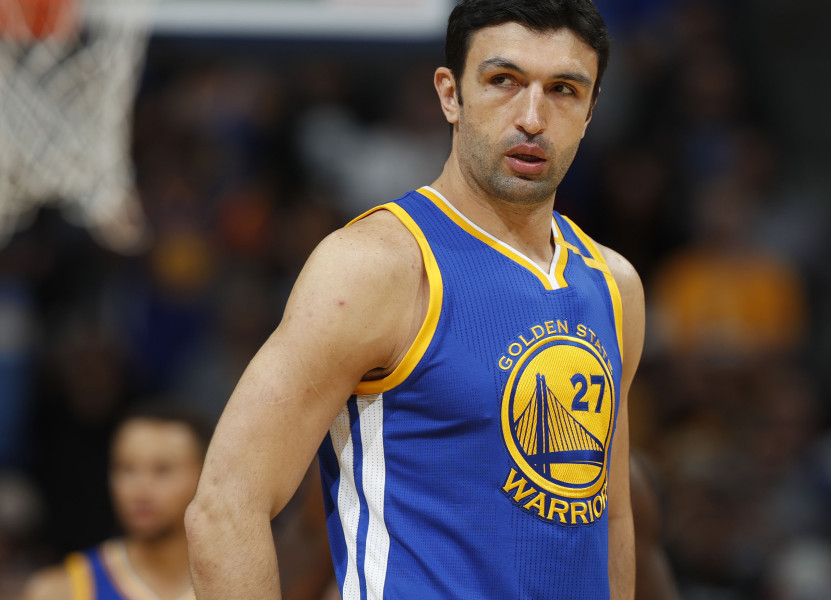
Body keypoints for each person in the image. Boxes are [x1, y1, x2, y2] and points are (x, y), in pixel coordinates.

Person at [185, 1, 645, 598]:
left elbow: (612, 516)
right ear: (450, 94)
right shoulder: (376, 267)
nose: (532, 117)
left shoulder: (614, 284)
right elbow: (225, 508)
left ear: (590, 110)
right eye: (503, 81)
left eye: (563, 89)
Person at [19, 403, 212, 600]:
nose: (140, 489)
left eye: (162, 470)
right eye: (126, 468)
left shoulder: (238, 582)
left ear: (205, 476)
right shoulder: (59, 591)